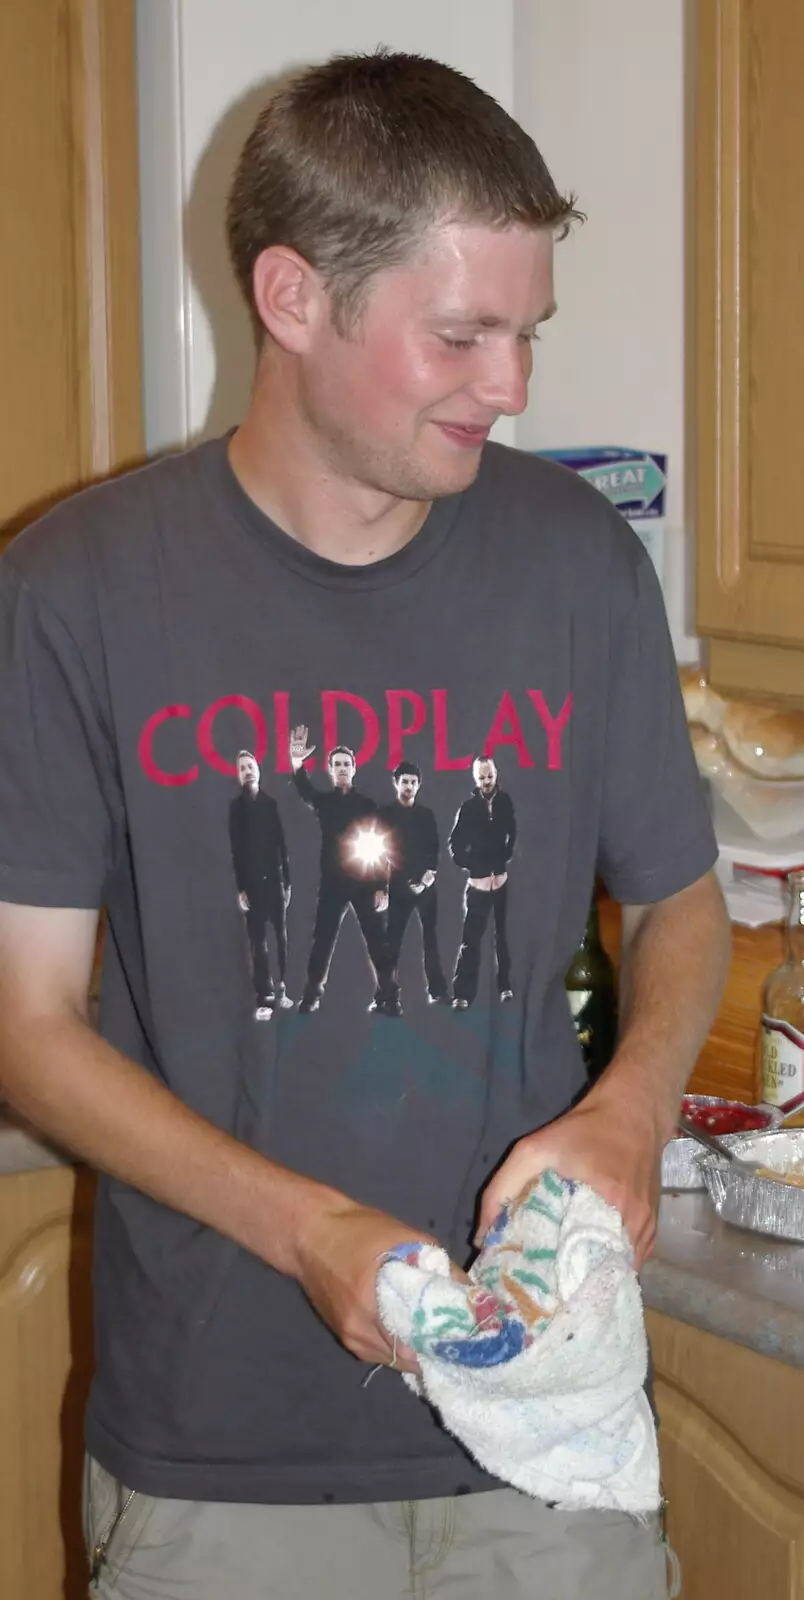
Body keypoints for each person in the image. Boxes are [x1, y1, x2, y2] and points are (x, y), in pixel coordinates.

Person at [0, 49, 730, 1600]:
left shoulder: (575, 564)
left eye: (526, 331)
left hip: (549, 1436)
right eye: (459, 334)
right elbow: (27, 1026)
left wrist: (629, 1109)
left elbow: (678, 903)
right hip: (221, 1459)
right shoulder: (76, 594)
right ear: (290, 298)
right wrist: (309, 1229)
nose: (512, 386)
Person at [290, 727, 398, 1017]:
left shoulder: (366, 805)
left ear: (354, 769)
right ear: (329, 770)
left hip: (364, 882)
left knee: (377, 941)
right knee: (322, 939)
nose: (341, 768)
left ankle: (390, 998)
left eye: (346, 764)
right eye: (336, 764)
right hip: (333, 884)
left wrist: (382, 887)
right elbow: (305, 791)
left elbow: (381, 845)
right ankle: (311, 996)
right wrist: (297, 763)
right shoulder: (324, 802)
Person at [228, 749, 293, 1019]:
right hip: (251, 884)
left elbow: (281, 845)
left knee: (280, 936)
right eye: (241, 767)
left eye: (250, 765)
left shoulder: (270, 804)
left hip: (274, 881)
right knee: (257, 940)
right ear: (238, 775)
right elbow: (236, 850)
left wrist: (287, 883)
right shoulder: (236, 808)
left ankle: (282, 988)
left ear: (258, 769)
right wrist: (240, 888)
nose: (247, 770)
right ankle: (264, 996)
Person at [378, 760, 447, 1004]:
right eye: (404, 781)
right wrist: (387, 885)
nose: (409, 786)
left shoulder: (426, 815)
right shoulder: (386, 814)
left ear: (419, 785)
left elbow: (434, 849)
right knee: (392, 943)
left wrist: (429, 875)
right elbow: (381, 852)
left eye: (413, 782)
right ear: (396, 784)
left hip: (426, 887)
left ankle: (437, 991)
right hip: (398, 886)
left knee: (431, 938)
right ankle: (385, 994)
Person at [449, 755, 516, 1007]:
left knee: (504, 938)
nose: (487, 781)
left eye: (490, 776)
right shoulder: (467, 808)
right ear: (475, 779)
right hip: (477, 885)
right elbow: (454, 845)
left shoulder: (505, 802)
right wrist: (473, 866)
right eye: (482, 777)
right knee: (470, 941)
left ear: (496, 774)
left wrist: (504, 857)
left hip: (500, 882)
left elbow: (513, 831)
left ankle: (506, 987)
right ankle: (462, 994)